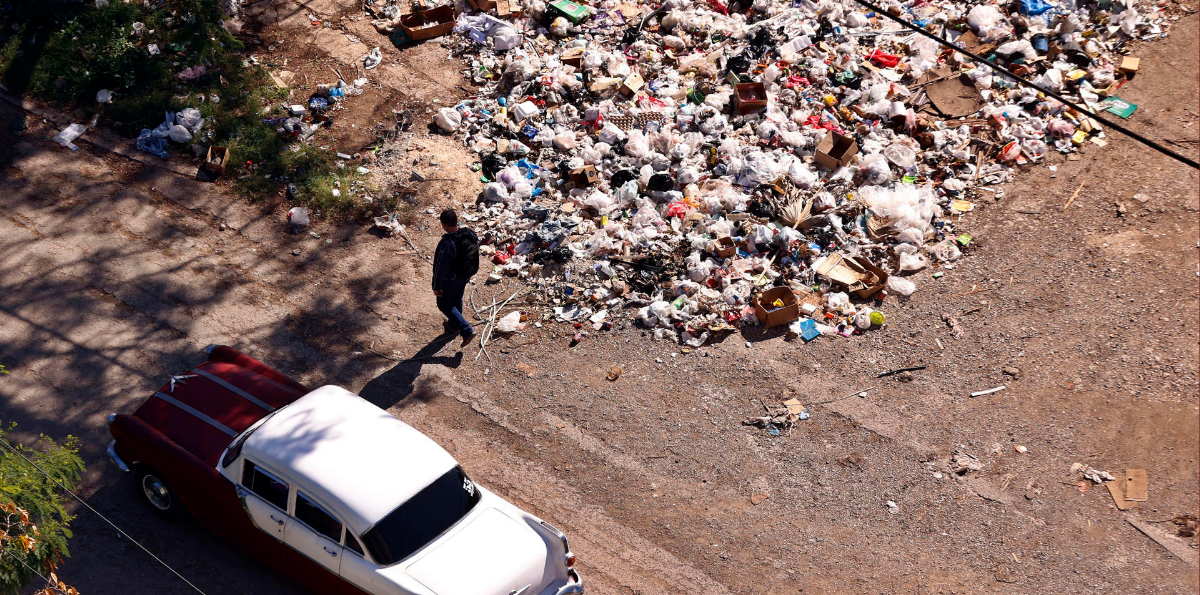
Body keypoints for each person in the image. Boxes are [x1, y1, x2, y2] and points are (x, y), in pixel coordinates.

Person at [432, 209, 479, 346]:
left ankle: (466, 330)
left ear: (444, 224)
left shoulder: (446, 244)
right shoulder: (469, 233)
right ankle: (453, 326)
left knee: (444, 304)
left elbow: (440, 267)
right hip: (464, 276)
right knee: (456, 299)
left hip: (450, 280)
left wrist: (436, 286)